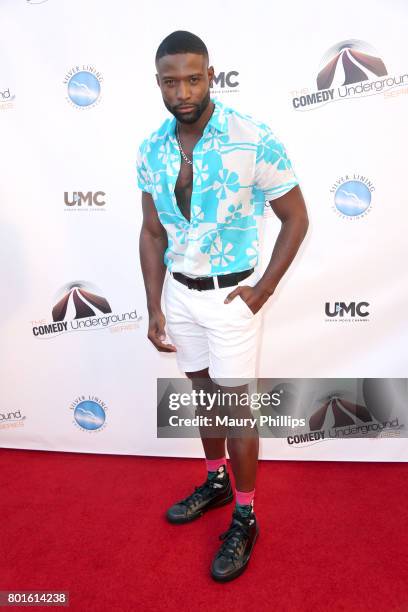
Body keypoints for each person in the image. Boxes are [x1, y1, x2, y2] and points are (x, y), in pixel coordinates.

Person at [137, 30, 309, 582]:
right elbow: (151, 232)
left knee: (236, 412)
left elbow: (296, 217)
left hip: (232, 296)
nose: (183, 90)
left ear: (211, 75)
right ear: (158, 82)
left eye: (193, 78)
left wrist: (262, 291)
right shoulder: (152, 148)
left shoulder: (252, 137)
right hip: (180, 295)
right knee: (204, 397)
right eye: (171, 80)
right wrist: (154, 306)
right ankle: (215, 482)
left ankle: (245, 514)